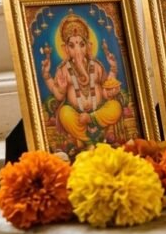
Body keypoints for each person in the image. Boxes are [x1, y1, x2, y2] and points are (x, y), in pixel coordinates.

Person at [41, 12, 123, 144]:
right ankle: (88, 141)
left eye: (81, 44)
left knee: (115, 107)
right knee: (64, 114)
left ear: (89, 46)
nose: (77, 50)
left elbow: (107, 87)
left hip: (98, 114)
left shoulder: (97, 66)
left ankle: (91, 121)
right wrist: (49, 77)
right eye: (72, 46)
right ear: (65, 49)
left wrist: (113, 68)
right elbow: (59, 96)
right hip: (76, 116)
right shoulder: (63, 70)